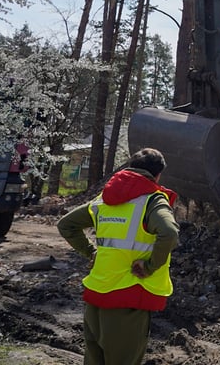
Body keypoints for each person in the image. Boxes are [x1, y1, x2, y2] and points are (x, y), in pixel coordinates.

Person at [58, 148, 180, 365]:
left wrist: (90, 252)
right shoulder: (152, 201)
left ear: (129, 167)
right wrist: (150, 266)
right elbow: (169, 233)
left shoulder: (103, 200)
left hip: (96, 296)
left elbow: (66, 225)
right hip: (129, 299)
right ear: (158, 175)